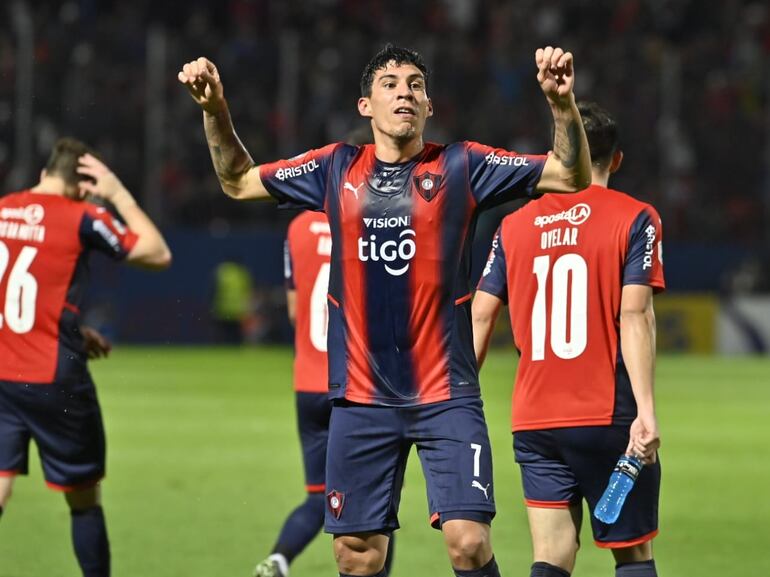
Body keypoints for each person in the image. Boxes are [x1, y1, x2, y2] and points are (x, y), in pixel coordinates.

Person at [179, 44, 591, 577]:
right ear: (365, 106)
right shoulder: (334, 168)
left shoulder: (463, 165)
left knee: (467, 542)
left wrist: (562, 105)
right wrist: (215, 112)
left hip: (446, 393)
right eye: (391, 84)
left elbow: (569, 175)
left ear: (429, 106)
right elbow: (238, 181)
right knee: (356, 553)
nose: (405, 92)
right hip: (360, 398)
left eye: (416, 84)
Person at [472, 101, 664, 577]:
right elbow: (634, 314)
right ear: (616, 159)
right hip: (605, 415)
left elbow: (480, 316)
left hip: (535, 420)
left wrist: (454, 407)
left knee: (552, 553)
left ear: (557, 151)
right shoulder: (636, 217)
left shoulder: (513, 225)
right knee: (632, 554)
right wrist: (646, 411)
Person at [0, 138, 172, 577]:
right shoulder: (83, 215)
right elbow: (157, 252)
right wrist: (116, 193)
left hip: (3, 374)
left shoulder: (3, 208)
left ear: (45, 173)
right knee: (82, 498)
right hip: (53, 379)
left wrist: (71, 327)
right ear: (82, 186)